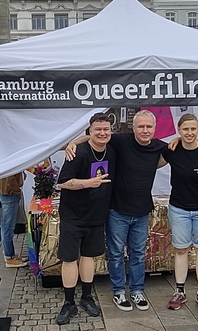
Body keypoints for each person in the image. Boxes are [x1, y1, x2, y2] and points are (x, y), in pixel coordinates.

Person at [66, 110, 166, 312]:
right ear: (133, 127)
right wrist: (73, 143)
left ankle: (137, 291)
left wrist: (179, 141)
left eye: (149, 127)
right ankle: (119, 292)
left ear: (154, 129)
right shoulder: (121, 141)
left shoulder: (160, 147)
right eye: (141, 126)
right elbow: (97, 134)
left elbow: (176, 152)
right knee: (116, 253)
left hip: (141, 211)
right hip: (117, 211)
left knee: (138, 254)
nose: (145, 130)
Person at [55, 113, 116, 325]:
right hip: (73, 216)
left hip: (97, 216)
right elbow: (62, 183)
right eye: (97, 129)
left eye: (106, 129)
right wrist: (86, 183)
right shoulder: (78, 153)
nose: (102, 133)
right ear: (89, 130)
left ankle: (87, 297)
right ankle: (68, 303)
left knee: (89, 257)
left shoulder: (113, 150)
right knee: (70, 259)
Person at [161, 114, 198, 312]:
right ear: (179, 129)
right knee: (181, 250)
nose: (190, 133)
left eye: (193, 129)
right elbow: (151, 155)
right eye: (185, 129)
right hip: (179, 209)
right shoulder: (172, 150)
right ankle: (180, 291)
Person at [0, 173, 27, 268]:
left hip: (8, 193)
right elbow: (9, 177)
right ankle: (9, 257)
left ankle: (10, 254)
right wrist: (17, 190)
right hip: (9, 194)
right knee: (8, 227)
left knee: (7, 226)